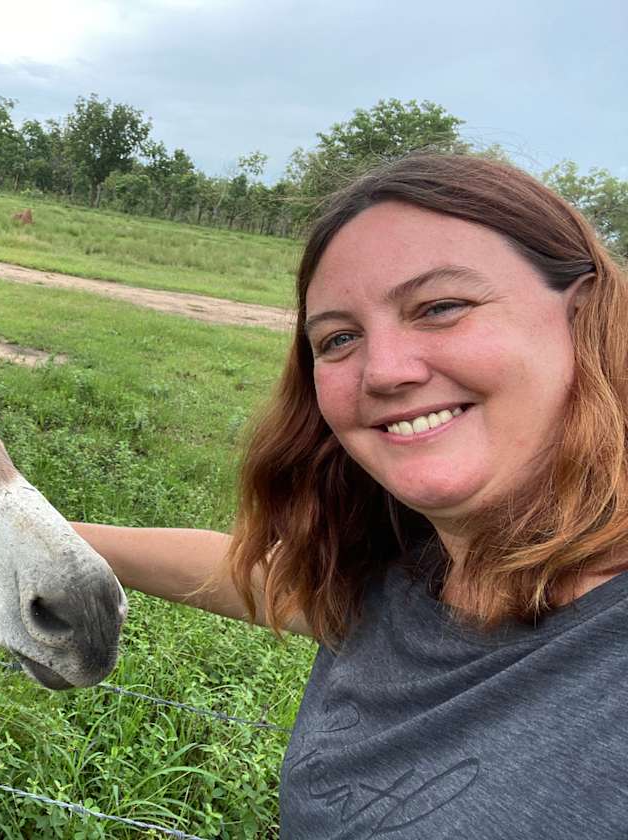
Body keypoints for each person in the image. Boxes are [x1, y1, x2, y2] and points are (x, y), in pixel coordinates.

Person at [74, 153, 628, 838]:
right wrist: (31, 529)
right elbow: (249, 572)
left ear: (583, 314)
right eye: (338, 339)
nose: (385, 372)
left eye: (441, 307)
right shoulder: (408, 580)